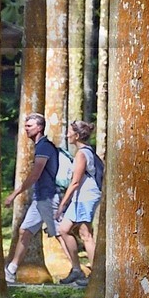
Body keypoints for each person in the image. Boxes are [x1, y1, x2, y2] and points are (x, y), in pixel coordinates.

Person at [6, 113, 63, 281]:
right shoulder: (41, 146)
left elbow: (35, 175)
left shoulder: (44, 147)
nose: (26, 129)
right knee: (25, 231)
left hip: (48, 197)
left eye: (29, 126)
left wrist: (14, 194)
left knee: (61, 233)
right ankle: (11, 270)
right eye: (25, 126)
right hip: (41, 197)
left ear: (39, 127)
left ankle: (77, 271)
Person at [55, 121, 104, 283]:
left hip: (86, 196)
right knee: (64, 229)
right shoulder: (86, 151)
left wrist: (62, 204)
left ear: (76, 136)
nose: (67, 135)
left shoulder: (82, 154)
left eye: (69, 132)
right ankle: (76, 269)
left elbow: (75, 182)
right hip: (80, 197)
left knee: (85, 234)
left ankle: (97, 275)